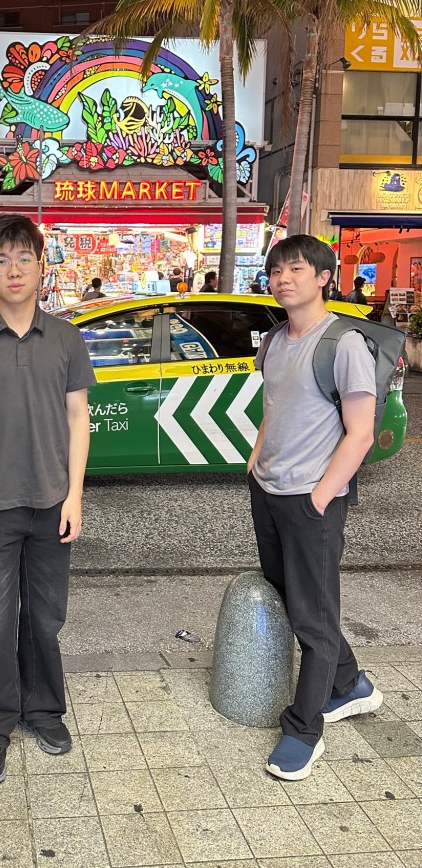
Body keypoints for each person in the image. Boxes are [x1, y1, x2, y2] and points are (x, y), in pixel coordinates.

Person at [0, 213, 96, 786]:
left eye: (24, 258)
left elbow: (78, 418)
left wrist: (75, 496)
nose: (13, 269)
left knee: (45, 617)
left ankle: (43, 709)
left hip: (52, 502)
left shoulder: (66, 338)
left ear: (41, 266)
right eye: (1, 260)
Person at [247, 234, 381, 782]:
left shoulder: (344, 344)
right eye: (276, 270)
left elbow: (361, 433)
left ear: (324, 277)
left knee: (313, 616)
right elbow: (273, 407)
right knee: (295, 598)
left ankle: (304, 729)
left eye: (297, 269)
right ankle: (350, 683)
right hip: (268, 491)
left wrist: (321, 495)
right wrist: (256, 463)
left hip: (310, 500)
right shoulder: (275, 340)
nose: (283, 279)